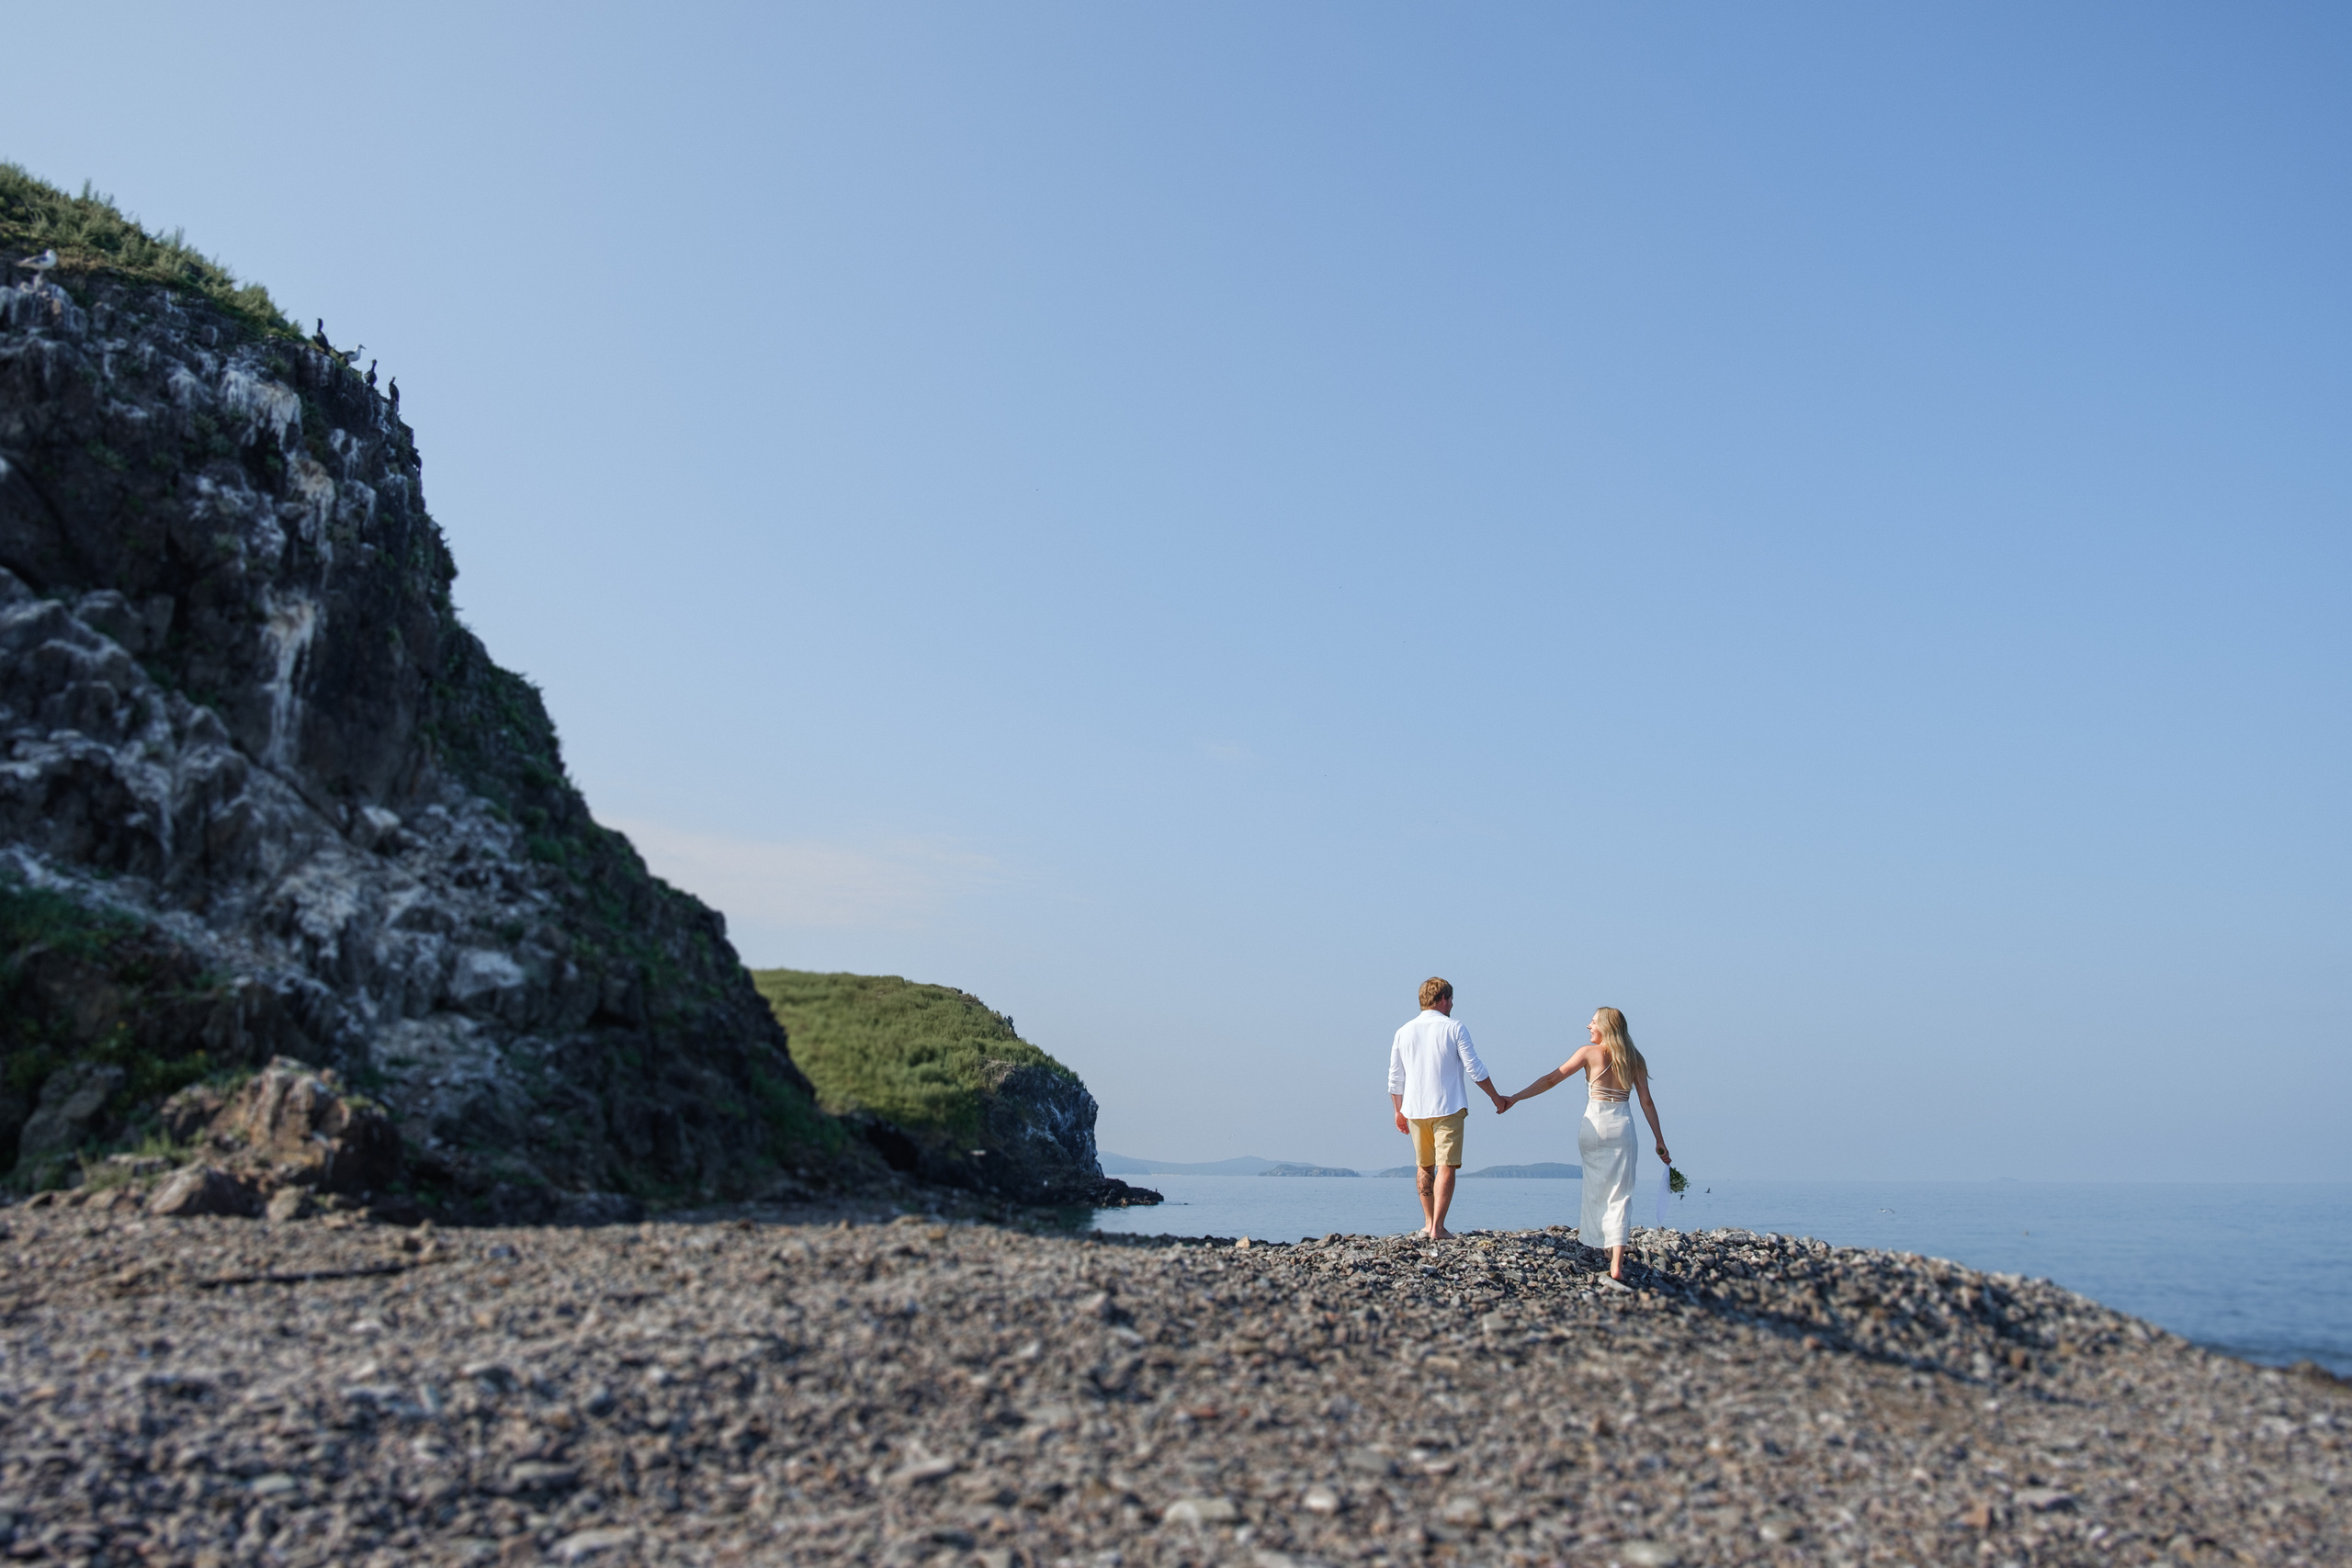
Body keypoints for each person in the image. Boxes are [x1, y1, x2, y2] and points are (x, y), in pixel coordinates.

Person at [1498, 1006, 1668, 1284]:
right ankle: (1616, 1261)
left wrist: (1515, 1098)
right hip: (1622, 1125)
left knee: (1596, 1188)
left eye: (1593, 1022)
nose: (1589, 1026)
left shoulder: (1589, 1054)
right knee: (1620, 1193)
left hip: (1594, 1126)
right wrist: (1659, 1140)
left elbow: (1552, 1079)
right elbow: (1646, 1102)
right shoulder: (1635, 1059)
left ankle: (1603, 1244)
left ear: (1606, 1027)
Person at [1388, 976, 1510, 1242]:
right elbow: (1475, 1068)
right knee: (1446, 1165)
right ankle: (1439, 1227)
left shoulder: (1403, 1031)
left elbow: (1395, 1077)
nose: (1452, 1004)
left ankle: (1427, 1223)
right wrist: (1496, 1097)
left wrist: (1398, 1110)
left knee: (1424, 1165)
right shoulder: (1454, 1027)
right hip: (1448, 1106)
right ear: (1443, 999)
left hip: (1414, 1108)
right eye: (1451, 999)